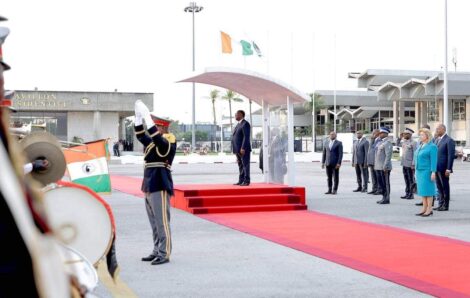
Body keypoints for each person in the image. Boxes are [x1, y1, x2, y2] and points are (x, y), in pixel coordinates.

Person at [134, 100, 175, 265]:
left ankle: (164, 253)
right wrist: (138, 118)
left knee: (162, 221)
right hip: (149, 183)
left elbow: (156, 138)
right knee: (153, 221)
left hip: (160, 183)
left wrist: (147, 117)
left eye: (157, 126)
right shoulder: (153, 142)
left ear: (164, 128)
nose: (155, 130)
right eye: (154, 126)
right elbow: (140, 135)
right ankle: (156, 250)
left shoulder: (167, 143)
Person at [414, 128, 438, 217]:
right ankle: (424, 208)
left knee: (428, 191)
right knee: (422, 191)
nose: (420, 136)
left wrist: (433, 172)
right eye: (420, 135)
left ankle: (429, 209)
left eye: (422, 135)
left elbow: (434, 160)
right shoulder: (421, 145)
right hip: (419, 171)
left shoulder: (432, 146)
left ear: (427, 136)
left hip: (427, 171)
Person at [433, 124, 455, 211]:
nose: (436, 131)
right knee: (439, 187)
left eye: (438, 129)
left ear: (443, 129)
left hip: (444, 168)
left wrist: (449, 169)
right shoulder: (437, 140)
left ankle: (446, 205)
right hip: (436, 167)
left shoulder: (449, 140)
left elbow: (450, 156)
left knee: (445, 187)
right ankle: (440, 204)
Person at [231, 110, 251, 186]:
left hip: (243, 149)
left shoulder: (245, 124)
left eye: (236, 114)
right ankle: (241, 180)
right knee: (240, 165)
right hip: (237, 149)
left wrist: (243, 148)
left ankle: (246, 181)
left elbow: (246, 137)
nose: (235, 116)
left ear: (241, 115)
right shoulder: (238, 124)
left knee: (245, 165)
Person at [374, 127, 393, 204]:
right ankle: (383, 196)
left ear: (385, 134)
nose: (380, 134)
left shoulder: (387, 143)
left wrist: (385, 166)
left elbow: (388, 155)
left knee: (386, 183)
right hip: (378, 166)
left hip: (384, 167)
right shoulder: (380, 142)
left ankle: (387, 198)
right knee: (381, 183)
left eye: (381, 133)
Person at [400, 128, 418, 200]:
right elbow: (398, 144)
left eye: (405, 134)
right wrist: (400, 137)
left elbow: (415, 154)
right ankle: (407, 192)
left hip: (410, 164)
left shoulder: (414, 143)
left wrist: (413, 164)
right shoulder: (404, 142)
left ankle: (411, 194)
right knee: (406, 179)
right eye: (404, 134)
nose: (404, 135)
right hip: (404, 163)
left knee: (411, 180)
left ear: (409, 134)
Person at [366, 129, 381, 195]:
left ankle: (379, 189)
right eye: (372, 133)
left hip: (376, 162)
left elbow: (375, 149)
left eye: (374, 132)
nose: (373, 134)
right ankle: (374, 189)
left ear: (378, 133)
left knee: (378, 176)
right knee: (373, 176)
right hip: (371, 161)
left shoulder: (380, 140)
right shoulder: (372, 140)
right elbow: (370, 151)